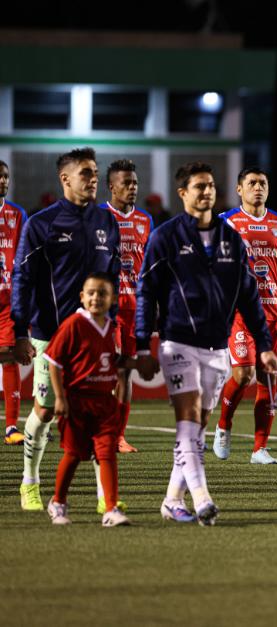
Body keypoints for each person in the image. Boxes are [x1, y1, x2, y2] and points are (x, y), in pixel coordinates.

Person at [135, 162, 277, 526]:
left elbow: (248, 296)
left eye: (211, 186)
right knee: (187, 421)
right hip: (177, 342)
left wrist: (263, 344)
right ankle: (202, 499)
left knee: (197, 426)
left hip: (217, 346)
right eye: (199, 186)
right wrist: (140, 345)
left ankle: (171, 499)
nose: (207, 192)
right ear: (183, 193)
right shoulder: (165, 237)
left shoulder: (230, 238)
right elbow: (146, 292)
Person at [12, 147, 121, 512]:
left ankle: (104, 495)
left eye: (95, 173)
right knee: (45, 410)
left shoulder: (108, 223)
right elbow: (22, 278)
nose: (93, 180)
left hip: (97, 338)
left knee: (98, 412)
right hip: (51, 335)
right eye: (86, 173)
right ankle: (29, 481)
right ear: (65, 179)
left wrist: (116, 325)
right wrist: (19, 331)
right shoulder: (41, 224)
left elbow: (114, 278)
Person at [212, 167, 277, 465]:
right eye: (251, 183)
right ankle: (224, 425)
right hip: (240, 311)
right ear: (239, 190)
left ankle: (259, 449)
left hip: (274, 312)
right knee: (243, 374)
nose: (258, 188)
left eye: (263, 183)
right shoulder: (226, 222)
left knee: (269, 380)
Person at [44, 273, 132, 527]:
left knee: (107, 454)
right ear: (82, 297)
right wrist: (60, 397)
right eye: (91, 293)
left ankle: (111, 508)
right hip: (77, 401)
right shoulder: (73, 324)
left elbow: (108, 360)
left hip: (105, 403)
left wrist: (133, 364)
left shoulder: (110, 327)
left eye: (102, 293)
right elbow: (54, 362)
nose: (96, 298)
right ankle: (58, 502)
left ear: (113, 299)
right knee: (73, 454)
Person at [102, 159, 153, 455]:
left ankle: (118, 436)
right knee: (106, 370)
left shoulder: (145, 220)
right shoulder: (97, 216)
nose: (132, 188)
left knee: (125, 373)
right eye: (126, 183)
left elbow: (150, 266)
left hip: (136, 308)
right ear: (112, 186)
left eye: (135, 183)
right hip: (105, 310)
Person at [0, 160, 27, 446]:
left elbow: (23, 256)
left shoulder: (17, 214)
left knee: (9, 357)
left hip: (7, 299)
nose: (2, 181)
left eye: (5, 177)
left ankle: (11, 426)